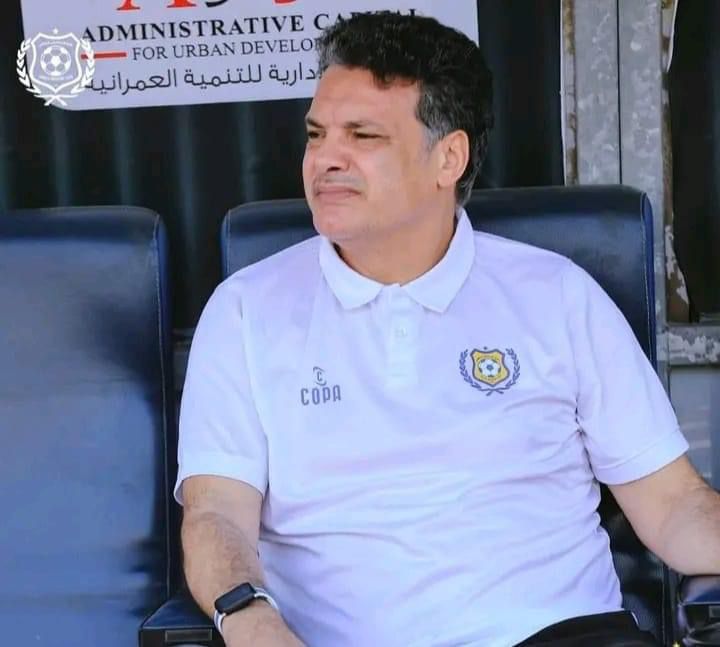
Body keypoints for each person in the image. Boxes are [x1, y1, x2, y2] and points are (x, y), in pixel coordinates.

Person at [175, 12, 720, 647]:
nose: (326, 159)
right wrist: (250, 619)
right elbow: (216, 514)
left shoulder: (558, 296)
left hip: (559, 634)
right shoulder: (245, 310)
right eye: (317, 134)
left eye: (363, 136)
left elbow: (674, 508)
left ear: (449, 158)